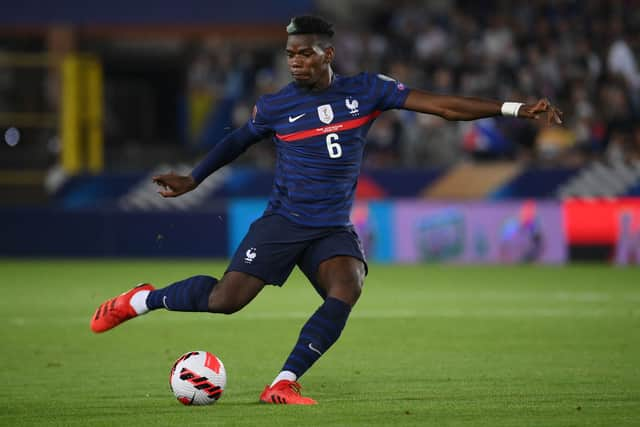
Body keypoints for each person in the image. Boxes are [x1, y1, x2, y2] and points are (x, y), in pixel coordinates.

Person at [90, 15, 562, 405]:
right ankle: (142, 299)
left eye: (304, 53)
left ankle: (284, 381)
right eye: (290, 53)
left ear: (327, 54)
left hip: (330, 227)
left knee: (347, 285)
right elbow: (236, 141)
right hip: (284, 221)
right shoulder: (275, 107)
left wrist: (514, 108)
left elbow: (441, 106)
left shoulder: (367, 90)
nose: (295, 61)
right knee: (225, 301)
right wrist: (194, 177)